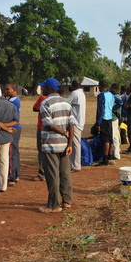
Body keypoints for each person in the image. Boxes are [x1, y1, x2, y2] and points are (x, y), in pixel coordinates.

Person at [38, 78, 75, 213]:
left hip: (51, 144)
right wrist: (69, 142)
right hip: (65, 145)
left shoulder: (45, 103)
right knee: (65, 173)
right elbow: (72, 124)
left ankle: (54, 205)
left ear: (48, 89)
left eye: (43, 88)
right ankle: (67, 201)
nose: (42, 90)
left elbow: (49, 124)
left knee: (52, 175)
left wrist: (63, 133)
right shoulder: (66, 103)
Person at [0, 96, 19, 193]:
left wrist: (2, 126)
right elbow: (16, 121)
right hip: (7, 136)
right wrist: (6, 126)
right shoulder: (11, 105)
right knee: (4, 161)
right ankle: (3, 185)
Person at [66, 79, 86, 172]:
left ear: (73, 86)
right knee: (75, 143)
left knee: (75, 144)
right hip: (80, 120)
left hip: (75, 122)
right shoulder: (81, 93)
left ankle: (76, 165)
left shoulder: (75, 93)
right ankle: (73, 164)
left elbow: (66, 102)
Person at [95, 80, 116, 166]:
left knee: (105, 140)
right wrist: (112, 109)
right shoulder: (111, 95)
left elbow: (101, 110)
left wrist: (98, 123)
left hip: (103, 119)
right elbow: (120, 102)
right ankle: (110, 157)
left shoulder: (101, 95)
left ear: (100, 86)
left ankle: (105, 159)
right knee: (110, 139)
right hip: (110, 118)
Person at [5, 83, 22, 185]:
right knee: (14, 151)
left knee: (12, 152)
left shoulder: (13, 101)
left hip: (13, 129)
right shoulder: (13, 100)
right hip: (15, 128)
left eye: (8, 89)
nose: (6, 91)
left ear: (14, 89)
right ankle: (15, 173)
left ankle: (12, 176)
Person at [32, 92, 48, 180]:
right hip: (54, 128)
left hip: (42, 127)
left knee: (42, 151)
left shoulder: (43, 98)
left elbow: (34, 108)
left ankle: (42, 174)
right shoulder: (58, 98)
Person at [110, 83, 124, 160]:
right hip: (116, 118)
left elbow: (117, 107)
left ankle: (114, 154)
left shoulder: (115, 97)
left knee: (113, 136)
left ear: (114, 89)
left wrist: (113, 109)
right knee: (116, 136)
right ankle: (116, 152)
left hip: (113, 118)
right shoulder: (117, 96)